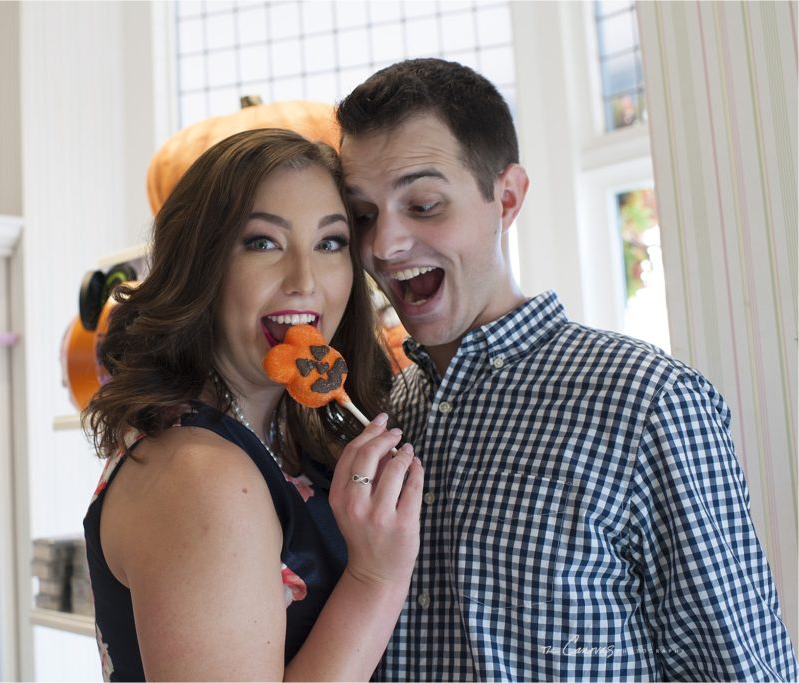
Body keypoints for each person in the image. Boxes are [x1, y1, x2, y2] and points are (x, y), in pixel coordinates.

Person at [336, 58, 798, 681]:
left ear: (506, 198)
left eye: (423, 204)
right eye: (363, 216)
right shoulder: (382, 415)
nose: (383, 246)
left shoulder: (647, 402)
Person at [82, 128, 425, 681]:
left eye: (330, 242)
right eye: (263, 242)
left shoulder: (288, 435)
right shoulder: (201, 476)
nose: (305, 280)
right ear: (201, 264)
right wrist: (376, 579)